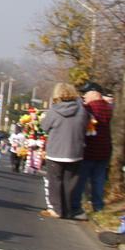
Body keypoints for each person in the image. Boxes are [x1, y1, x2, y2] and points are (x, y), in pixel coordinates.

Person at [39, 82, 88, 219]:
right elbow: (85, 126)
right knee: (69, 183)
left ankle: (56, 209)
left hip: (56, 151)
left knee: (55, 181)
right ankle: (68, 210)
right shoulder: (82, 111)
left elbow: (44, 127)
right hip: (75, 151)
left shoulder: (54, 111)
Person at [69, 82, 113, 218]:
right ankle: (98, 207)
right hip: (105, 150)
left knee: (80, 180)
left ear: (94, 93)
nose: (84, 97)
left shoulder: (87, 108)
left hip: (89, 150)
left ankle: (76, 206)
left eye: (86, 93)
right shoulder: (109, 108)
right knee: (98, 180)